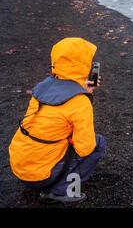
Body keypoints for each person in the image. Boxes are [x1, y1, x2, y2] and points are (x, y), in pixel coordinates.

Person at [9, 37, 107, 204]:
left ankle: (46, 176)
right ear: (83, 65)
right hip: (41, 177)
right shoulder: (79, 102)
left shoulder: (43, 87)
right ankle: (60, 191)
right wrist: (85, 96)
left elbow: (58, 114)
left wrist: (85, 91)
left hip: (19, 166)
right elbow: (85, 149)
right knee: (98, 143)